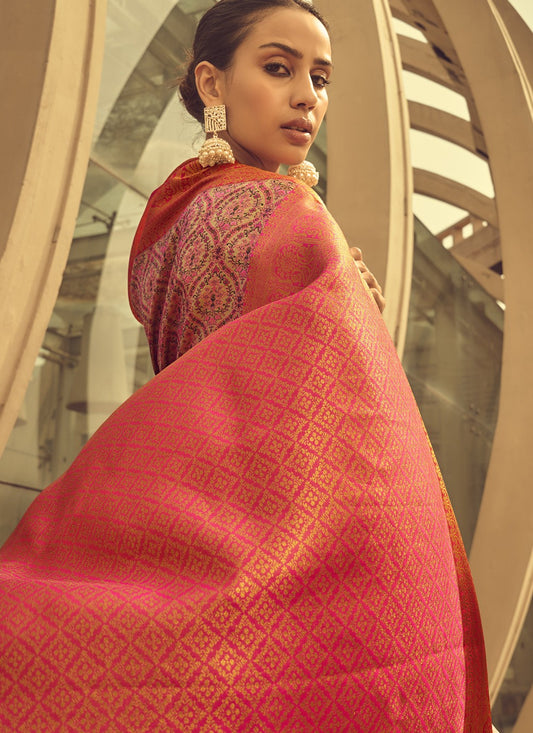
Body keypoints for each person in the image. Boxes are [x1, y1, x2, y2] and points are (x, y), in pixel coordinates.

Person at [0, 1, 492, 730]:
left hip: (179, 527)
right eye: (278, 68)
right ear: (212, 82)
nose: (306, 97)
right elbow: (351, 431)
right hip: (280, 559)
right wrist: (339, 291)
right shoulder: (290, 218)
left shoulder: (167, 215)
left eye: (320, 79)